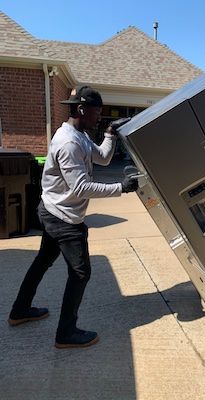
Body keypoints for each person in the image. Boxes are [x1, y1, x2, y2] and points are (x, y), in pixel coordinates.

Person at [8, 85, 138, 349]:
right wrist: (120, 188)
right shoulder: (68, 142)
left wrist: (111, 134)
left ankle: (19, 311)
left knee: (43, 260)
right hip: (63, 218)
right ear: (81, 109)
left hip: (53, 210)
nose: (99, 116)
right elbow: (80, 187)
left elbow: (102, 158)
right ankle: (65, 334)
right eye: (97, 111)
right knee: (80, 273)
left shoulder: (79, 135)